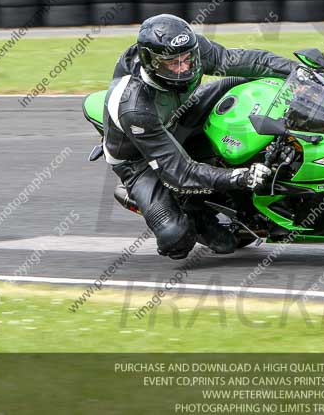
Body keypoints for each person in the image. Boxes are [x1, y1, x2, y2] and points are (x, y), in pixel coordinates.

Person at [103, 14, 298, 259]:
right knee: (176, 238)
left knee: (249, 80)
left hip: (182, 113)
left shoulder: (187, 47)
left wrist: (300, 71)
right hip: (139, 159)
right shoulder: (133, 104)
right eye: (173, 63)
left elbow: (245, 60)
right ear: (151, 63)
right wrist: (239, 177)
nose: (184, 67)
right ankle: (193, 213)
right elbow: (180, 172)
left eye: (188, 59)